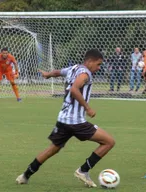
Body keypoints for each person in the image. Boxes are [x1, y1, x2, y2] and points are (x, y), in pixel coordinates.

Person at [15, 49, 115, 187]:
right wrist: (88, 108)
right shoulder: (85, 74)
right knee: (109, 142)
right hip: (76, 122)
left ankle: (25, 175)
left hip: (63, 119)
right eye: (98, 64)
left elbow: (57, 72)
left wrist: (48, 75)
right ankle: (83, 170)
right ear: (90, 61)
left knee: (52, 149)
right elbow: (74, 90)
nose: (99, 68)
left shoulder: (73, 68)